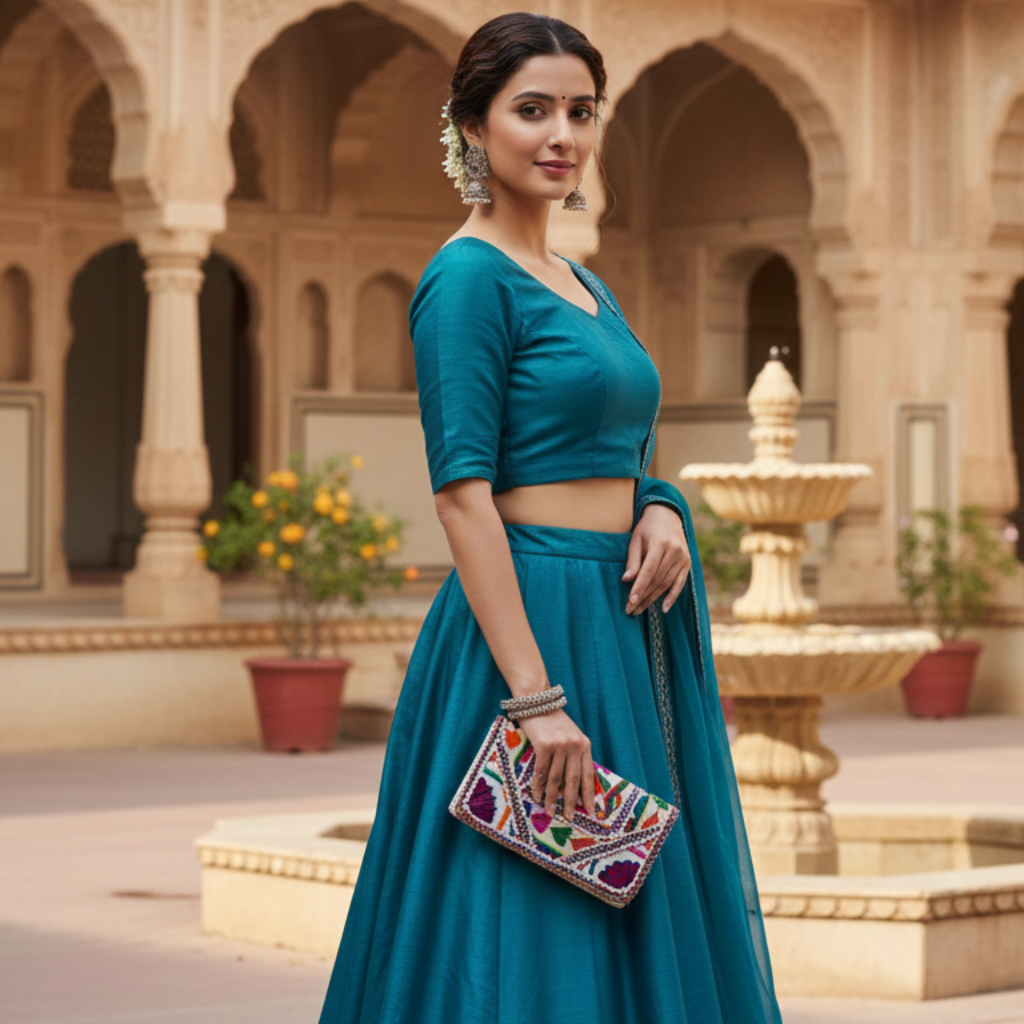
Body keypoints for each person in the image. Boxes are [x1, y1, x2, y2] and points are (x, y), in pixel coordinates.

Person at [319, 13, 783, 1024]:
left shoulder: (581, 280)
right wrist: (534, 699)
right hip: (528, 633)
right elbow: (460, 492)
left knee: (622, 891)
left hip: (616, 619)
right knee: (532, 912)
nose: (560, 134)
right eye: (531, 110)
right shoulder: (465, 278)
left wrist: (659, 506)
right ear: (472, 129)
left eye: (579, 110)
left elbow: (617, 443)